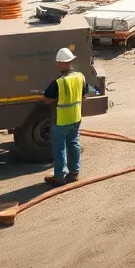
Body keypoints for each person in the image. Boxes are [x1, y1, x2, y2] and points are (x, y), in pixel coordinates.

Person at [41, 47, 98, 186]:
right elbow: (86, 93)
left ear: (62, 63)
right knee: (74, 144)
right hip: (76, 118)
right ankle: (74, 173)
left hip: (61, 120)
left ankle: (59, 176)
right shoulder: (80, 76)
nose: (57, 65)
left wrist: (45, 97)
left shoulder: (58, 82)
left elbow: (46, 99)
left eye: (58, 62)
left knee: (60, 147)